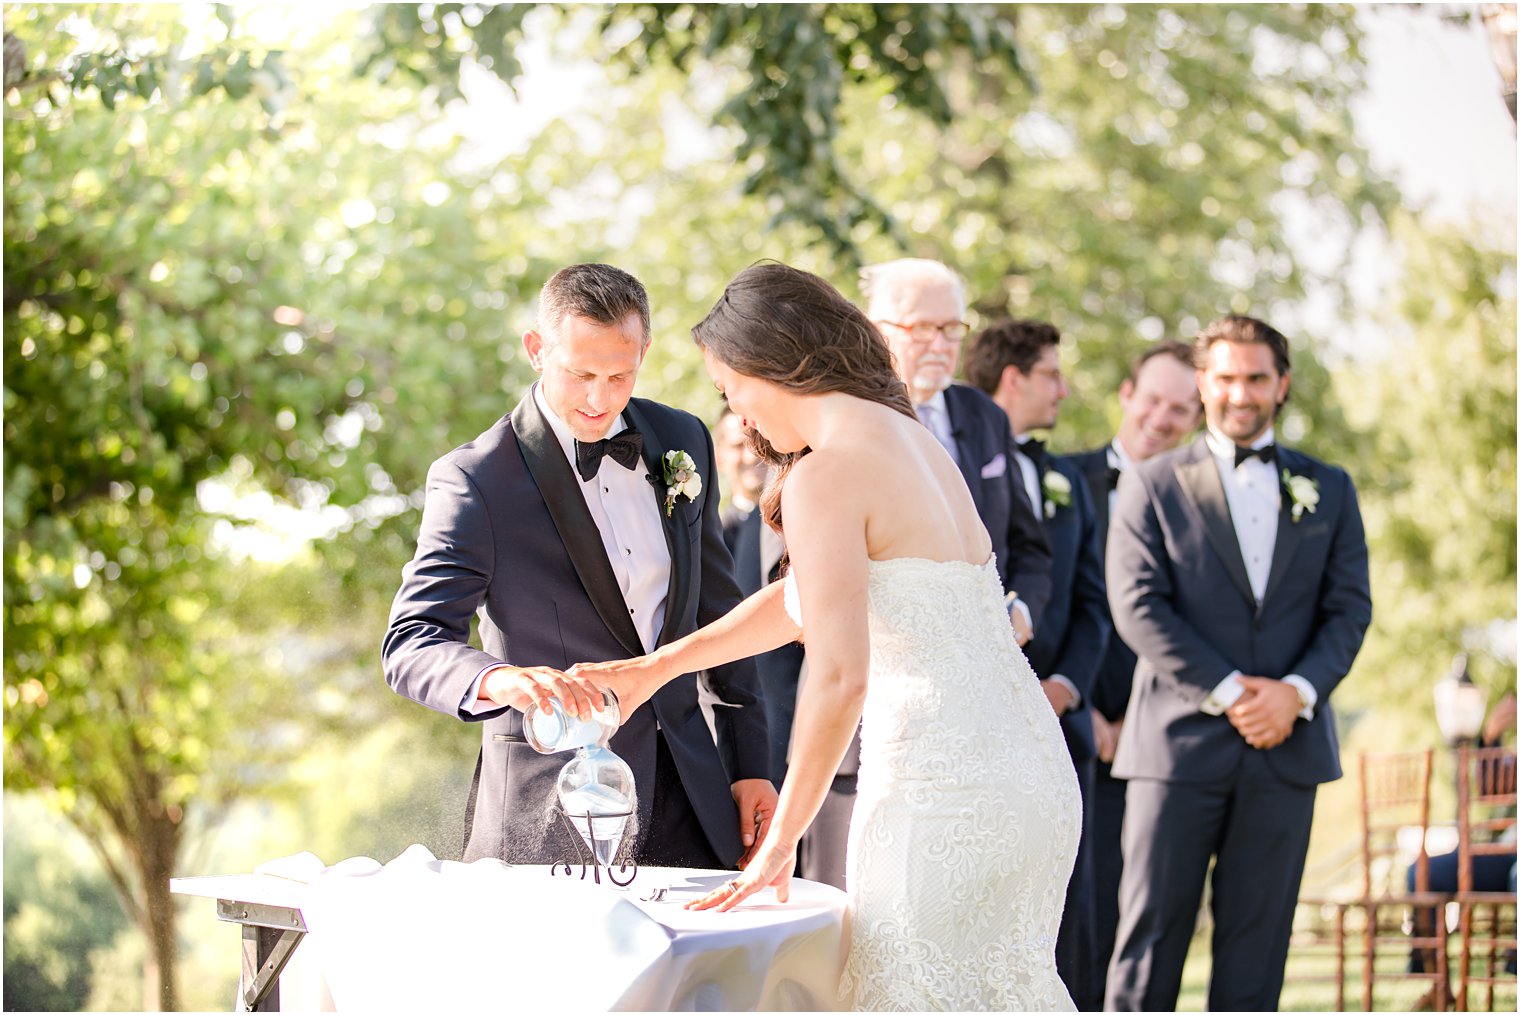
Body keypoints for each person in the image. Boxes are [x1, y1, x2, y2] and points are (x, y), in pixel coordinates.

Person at [574, 262, 1081, 1011]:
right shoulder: (916, 442)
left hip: (938, 794)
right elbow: (804, 597)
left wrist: (783, 839)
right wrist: (659, 666)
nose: (738, 417)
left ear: (765, 366)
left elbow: (841, 675)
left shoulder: (826, 476)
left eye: (730, 390)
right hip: (1032, 778)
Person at [381, 262, 777, 869]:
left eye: (621, 374)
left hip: (693, 796)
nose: (600, 397)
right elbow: (411, 644)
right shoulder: (476, 479)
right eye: (580, 373)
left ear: (645, 350)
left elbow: (719, 612)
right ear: (537, 350)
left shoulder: (683, 438)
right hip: (552, 806)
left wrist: (751, 763)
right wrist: (501, 681)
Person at [1104, 315, 1373, 1011]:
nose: (1241, 393)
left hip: (1288, 750)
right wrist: (1229, 691)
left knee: (1258, 959)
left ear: (1282, 384)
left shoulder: (1331, 488)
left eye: (1257, 378)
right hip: (1176, 749)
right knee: (1150, 944)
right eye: (1226, 377)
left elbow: (1349, 609)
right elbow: (1137, 604)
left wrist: (1296, 692)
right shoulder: (1154, 483)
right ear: (1203, 383)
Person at [793, 256, 1059, 892]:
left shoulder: (985, 419)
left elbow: (1030, 549)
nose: (940, 345)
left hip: (977, 728)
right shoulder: (828, 426)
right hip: (862, 738)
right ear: (872, 327)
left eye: (951, 328)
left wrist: (1015, 616)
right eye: (921, 328)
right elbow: (795, 592)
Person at [966, 318, 1111, 1010]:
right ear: (1013, 376)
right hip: (974, 724)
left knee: (1072, 915)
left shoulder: (1065, 479)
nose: (1064, 387)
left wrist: (1064, 685)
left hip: (1059, 723)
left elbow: (1093, 597)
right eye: (1052, 372)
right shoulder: (943, 452)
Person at [1064, 339, 1202, 1006]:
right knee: (1069, 922)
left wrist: (1143, 719)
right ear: (1126, 393)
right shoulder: (1062, 482)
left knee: (1147, 930)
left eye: (1182, 408)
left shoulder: (1209, 510)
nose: (1163, 417)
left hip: (1162, 745)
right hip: (1070, 738)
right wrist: (1078, 705)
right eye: (1153, 399)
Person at [714, 407, 804, 787]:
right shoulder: (707, 536)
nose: (751, 455)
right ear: (719, 454)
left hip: (795, 719)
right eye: (737, 445)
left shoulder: (797, 523)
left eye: (757, 444)